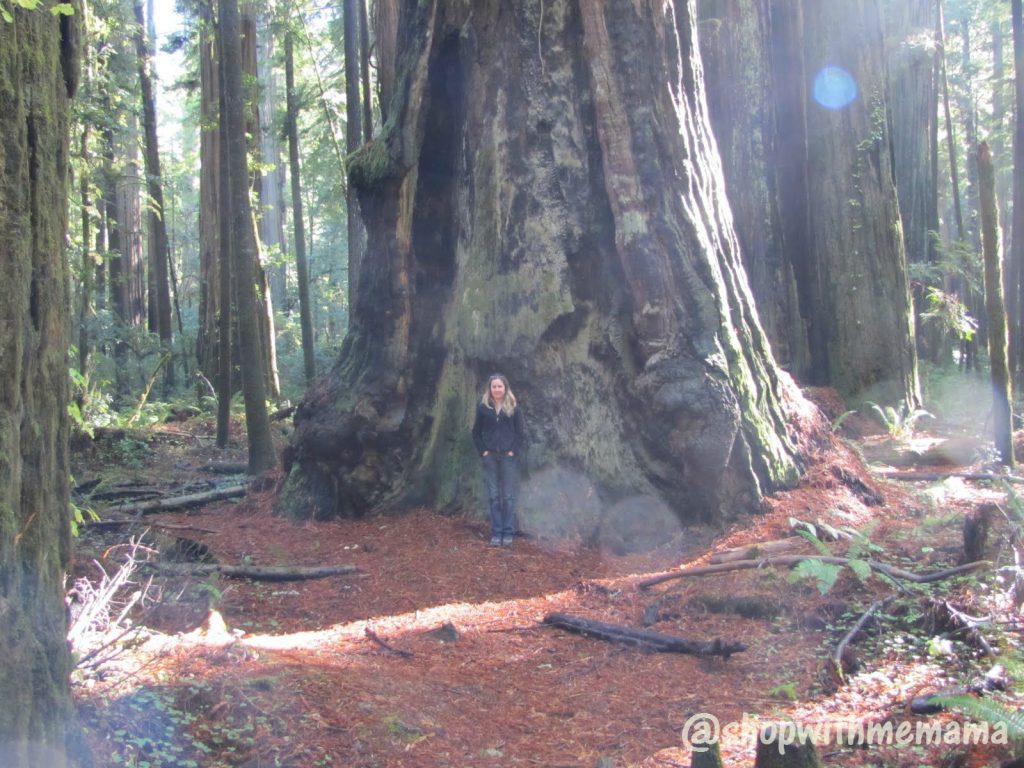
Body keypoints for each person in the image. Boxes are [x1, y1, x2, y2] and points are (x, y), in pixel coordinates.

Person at [471, 373, 524, 547]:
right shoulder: (483, 408)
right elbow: (476, 432)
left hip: (508, 458)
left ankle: (508, 533)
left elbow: (520, 434)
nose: (497, 389)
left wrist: (512, 451)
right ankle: (496, 532)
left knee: (508, 497)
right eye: (494, 386)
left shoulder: (514, 408)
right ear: (490, 388)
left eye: (500, 386)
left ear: (505, 388)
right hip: (490, 457)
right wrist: (483, 452)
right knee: (494, 497)